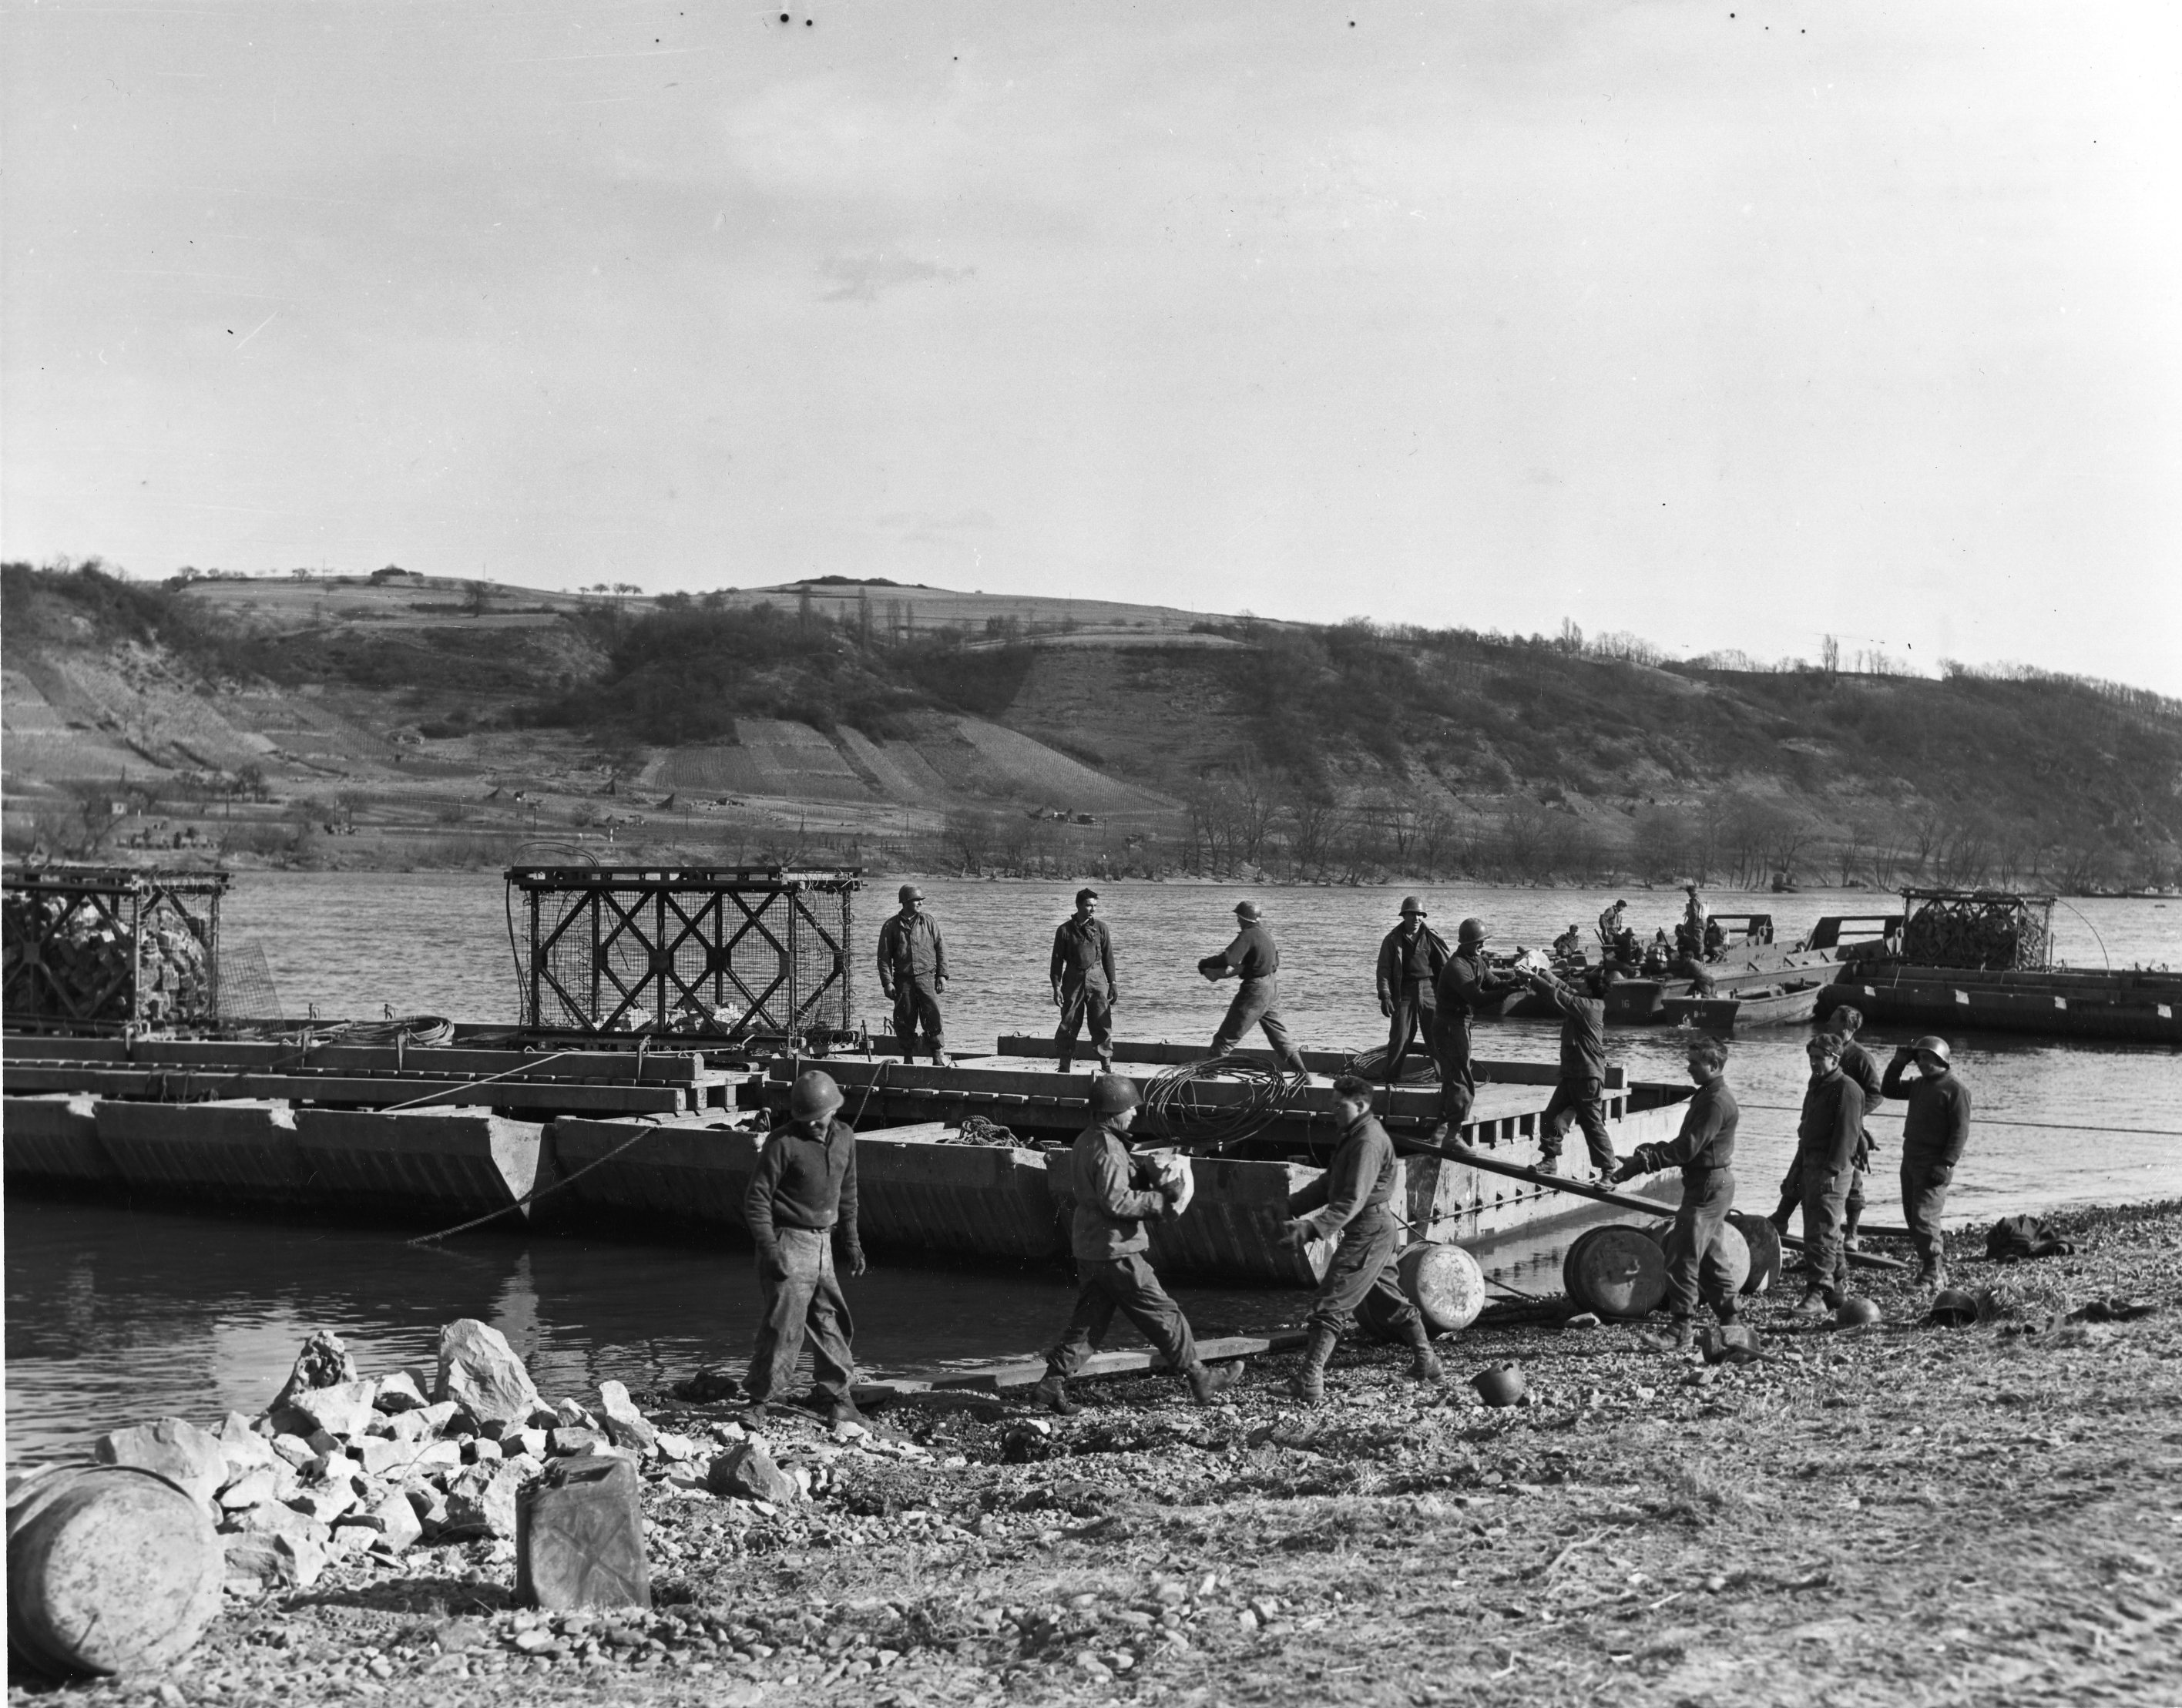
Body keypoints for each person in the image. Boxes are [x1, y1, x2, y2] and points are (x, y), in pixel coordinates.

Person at [1031, 1075, 1240, 1414]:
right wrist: (1162, 1200)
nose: (1134, 1115)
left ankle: (1050, 1385)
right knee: (1162, 1312)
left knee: (1090, 1321)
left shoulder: (1088, 1140)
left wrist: (1142, 1177)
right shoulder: (1109, 1149)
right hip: (1117, 1250)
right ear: (1113, 1111)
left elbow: (1107, 1189)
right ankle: (1200, 1377)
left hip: (1091, 1246)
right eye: (1130, 1109)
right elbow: (1116, 1201)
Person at [1282, 1075, 1442, 1401]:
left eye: (1338, 1106)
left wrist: (1312, 1228)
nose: (1333, 1111)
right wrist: (1290, 1206)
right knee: (1389, 1301)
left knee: (1332, 1300)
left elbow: (1352, 1198)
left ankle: (1310, 1380)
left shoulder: (1367, 1142)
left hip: (1369, 1230)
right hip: (1374, 1229)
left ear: (1360, 1105)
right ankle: (1427, 1362)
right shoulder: (1354, 1135)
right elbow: (1329, 1184)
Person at [743, 1070, 865, 1426]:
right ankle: (759, 1401)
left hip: (823, 1242)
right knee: (783, 1325)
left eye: (818, 1117)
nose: (812, 1124)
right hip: (788, 1240)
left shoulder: (845, 1138)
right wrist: (770, 1249)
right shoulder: (783, 1143)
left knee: (831, 1320)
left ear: (833, 1110)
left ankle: (838, 1397)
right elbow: (756, 1200)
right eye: (805, 1118)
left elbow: (848, 1194)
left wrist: (852, 1243)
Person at [1613, 1036, 1741, 1353]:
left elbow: (1688, 1149)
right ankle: (1732, 1322)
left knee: (1681, 1255)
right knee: (1710, 1256)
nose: (1688, 1068)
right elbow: (1690, 1143)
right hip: (1711, 1185)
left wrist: (1644, 1164)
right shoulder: (1710, 1095)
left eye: (1695, 1063)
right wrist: (1654, 1151)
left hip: (1707, 1188)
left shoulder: (1714, 1102)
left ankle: (1680, 1329)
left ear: (1714, 1065)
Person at [1770, 1007, 1882, 1249]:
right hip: (1817, 1125)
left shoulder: (1861, 1057)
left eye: (1832, 1021)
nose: (1828, 1024)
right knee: (1799, 1170)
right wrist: (1805, 1119)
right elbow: (1813, 1091)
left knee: (1851, 1180)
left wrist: (1852, 1116)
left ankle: (1851, 1233)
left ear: (1846, 1026)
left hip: (1847, 1129)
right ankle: (1781, 1218)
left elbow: (1876, 1094)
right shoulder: (1821, 1052)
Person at [1881, 1035, 1972, 1288]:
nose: (1921, 1063)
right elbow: (1888, 1089)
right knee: (1913, 1215)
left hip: (1934, 1162)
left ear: (1941, 1059)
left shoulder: (1956, 1089)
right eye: (1919, 1058)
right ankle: (1937, 1271)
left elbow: (1960, 1132)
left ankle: (1931, 1272)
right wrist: (1898, 1063)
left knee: (1924, 1217)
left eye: (1927, 1058)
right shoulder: (1919, 1084)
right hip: (1911, 1156)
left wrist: (1946, 1163)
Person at [1791, 1032, 1864, 1318]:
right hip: (1812, 1161)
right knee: (1825, 1227)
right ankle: (1836, 1288)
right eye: (1811, 1057)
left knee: (1820, 1230)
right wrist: (1798, 1168)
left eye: (1819, 1058)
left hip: (1831, 1166)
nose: (1813, 1063)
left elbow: (1846, 1137)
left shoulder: (1847, 1089)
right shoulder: (1818, 1084)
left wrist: (1831, 1172)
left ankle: (1818, 1292)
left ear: (1835, 1059)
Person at [1522, 966, 1617, 1176]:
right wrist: (1541, 973)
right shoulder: (1584, 1001)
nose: (1579, 986)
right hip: (1573, 1074)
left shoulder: (1587, 1007)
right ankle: (1549, 1160)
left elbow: (1556, 995)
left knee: (1592, 1124)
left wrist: (1533, 979)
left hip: (1588, 1076)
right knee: (1551, 1116)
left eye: (1584, 984)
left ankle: (1609, 1171)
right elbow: (1562, 987)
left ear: (1590, 990)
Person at [1432, 918, 1520, 1137]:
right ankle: (1453, 1133)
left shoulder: (1476, 960)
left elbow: (1492, 983)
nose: (1482, 945)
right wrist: (1505, 993)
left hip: (1459, 1024)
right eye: (1478, 942)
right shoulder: (1457, 967)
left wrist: (1514, 983)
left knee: (1454, 1075)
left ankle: (1442, 1130)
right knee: (1460, 1077)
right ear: (1466, 943)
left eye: (1483, 941)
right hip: (1450, 1026)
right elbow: (1477, 998)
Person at [1199, 900, 1308, 1074]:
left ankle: (1207, 1079)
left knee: (1226, 1036)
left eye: (1238, 917)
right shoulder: (1266, 935)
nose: (1237, 920)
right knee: (1279, 1035)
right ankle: (1303, 1074)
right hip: (1271, 987)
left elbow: (1229, 958)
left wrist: (1205, 963)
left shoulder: (1248, 935)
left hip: (1255, 991)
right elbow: (1274, 963)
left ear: (1244, 918)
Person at [1374, 897, 1449, 1086]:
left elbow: (1446, 967)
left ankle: (1446, 1077)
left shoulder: (1432, 937)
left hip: (1430, 989)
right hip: (1404, 991)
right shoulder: (1392, 939)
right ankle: (1391, 1077)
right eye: (1412, 914)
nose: (1416, 918)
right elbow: (1383, 970)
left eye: (1420, 915)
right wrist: (1385, 995)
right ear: (1404, 916)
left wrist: (1450, 995)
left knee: (1437, 1035)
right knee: (1400, 1035)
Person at [876, 883, 950, 1067]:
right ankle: (907, 1058)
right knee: (904, 1019)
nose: (920, 903)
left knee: (933, 1017)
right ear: (905, 902)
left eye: (921, 900)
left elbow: (941, 949)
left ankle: (937, 1056)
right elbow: (883, 958)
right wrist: (887, 983)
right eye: (916, 900)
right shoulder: (891, 926)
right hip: (903, 981)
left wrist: (942, 975)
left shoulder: (929, 922)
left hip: (927, 978)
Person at [1050, 888, 1117, 1075]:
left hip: (1097, 979)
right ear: (1078, 905)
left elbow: (1108, 957)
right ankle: (1064, 1065)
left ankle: (1106, 1066)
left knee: (1102, 1021)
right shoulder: (1064, 930)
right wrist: (1056, 988)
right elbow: (1056, 962)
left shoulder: (1101, 928)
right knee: (1069, 1022)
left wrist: (1113, 983)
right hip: (1073, 979)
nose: (1092, 909)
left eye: (1095, 906)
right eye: (1088, 905)